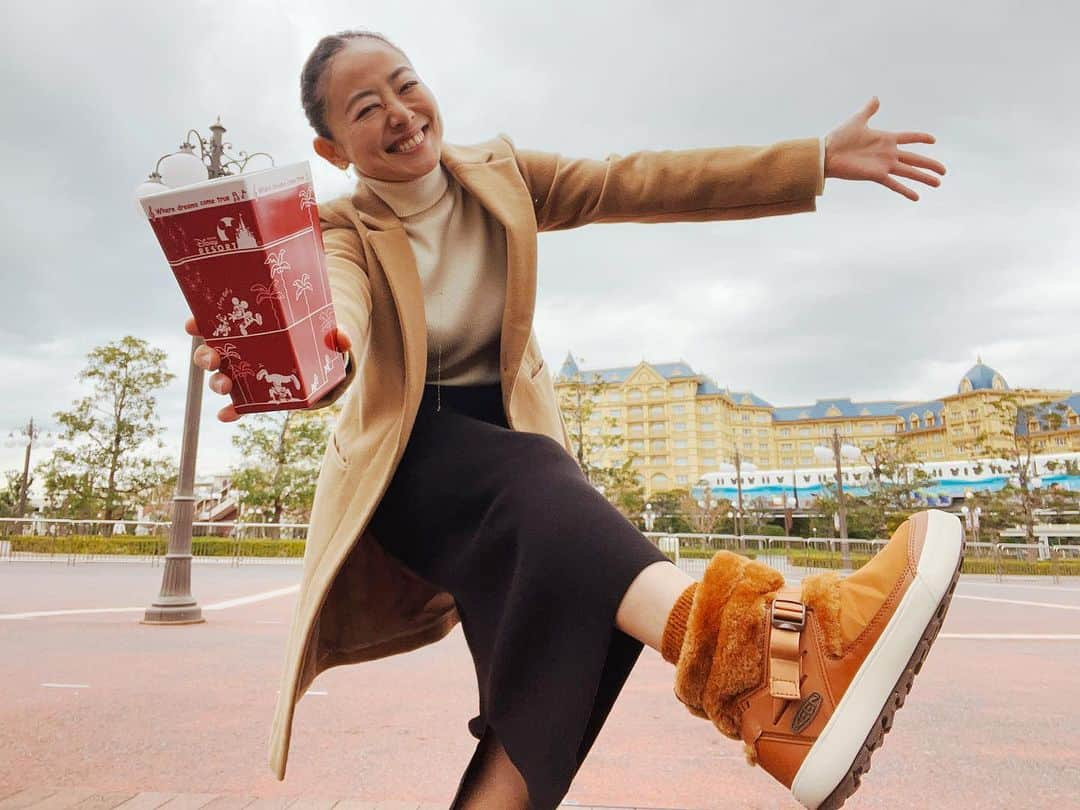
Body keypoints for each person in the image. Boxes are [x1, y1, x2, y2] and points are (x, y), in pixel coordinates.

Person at [185, 30, 961, 810]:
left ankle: (781, 696)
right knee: (544, 484)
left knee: (556, 682)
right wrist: (318, 357)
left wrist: (815, 157)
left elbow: (645, 181)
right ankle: (775, 669)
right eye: (365, 108)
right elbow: (337, 317)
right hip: (415, 466)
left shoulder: (502, 176)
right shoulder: (337, 230)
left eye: (405, 84)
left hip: (520, 466)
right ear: (331, 148)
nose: (399, 112)